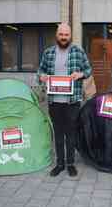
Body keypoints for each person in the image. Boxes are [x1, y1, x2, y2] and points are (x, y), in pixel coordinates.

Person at [38, 23, 92, 177]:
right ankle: (60, 163)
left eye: (66, 35)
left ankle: (70, 163)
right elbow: (40, 70)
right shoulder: (48, 53)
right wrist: (41, 76)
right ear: (57, 35)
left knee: (71, 133)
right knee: (58, 132)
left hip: (72, 101)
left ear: (70, 35)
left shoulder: (78, 51)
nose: (63, 37)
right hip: (54, 101)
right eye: (61, 34)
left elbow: (88, 70)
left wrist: (80, 74)